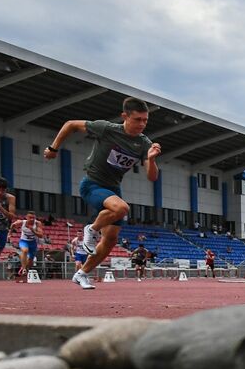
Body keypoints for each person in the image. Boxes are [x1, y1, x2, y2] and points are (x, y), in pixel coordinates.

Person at [43, 97, 160, 290]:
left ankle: (82, 274)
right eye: (137, 119)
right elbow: (70, 124)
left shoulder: (144, 143)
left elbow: (152, 177)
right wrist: (53, 148)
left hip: (113, 189)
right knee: (122, 208)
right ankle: (91, 229)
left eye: (145, 120)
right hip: (92, 184)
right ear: (125, 116)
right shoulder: (107, 129)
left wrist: (152, 160)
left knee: (112, 238)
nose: (142, 124)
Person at [12, 212, 46, 277]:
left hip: (33, 243)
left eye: (33, 218)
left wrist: (33, 230)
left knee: (31, 261)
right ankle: (24, 268)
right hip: (23, 241)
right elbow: (13, 225)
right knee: (25, 250)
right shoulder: (22, 222)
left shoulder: (37, 223)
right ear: (26, 217)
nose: (32, 219)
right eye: (30, 218)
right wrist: (10, 233)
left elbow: (41, 235)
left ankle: (24, 270)